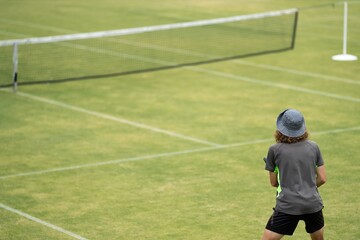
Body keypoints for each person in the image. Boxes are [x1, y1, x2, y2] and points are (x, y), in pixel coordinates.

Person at [261, 109, 327, 240]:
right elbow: (323, 178)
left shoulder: (274, 150)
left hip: (288, 205)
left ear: (281, 128)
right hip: (312, 204)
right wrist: (307, 187)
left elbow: (273, 183)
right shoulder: (314, 147)